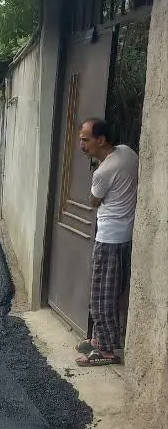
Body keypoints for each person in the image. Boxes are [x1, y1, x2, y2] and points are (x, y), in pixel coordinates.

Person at [77, 118, 139, 366]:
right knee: (115, 292)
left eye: (85, 139)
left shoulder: (102, 173)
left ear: (101, 140)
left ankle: (106, 350)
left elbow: (94, 202)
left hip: (109, 239)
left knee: (101, 296)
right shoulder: (127, 153)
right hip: (126, 236)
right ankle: (102, 338)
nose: (81, 144)